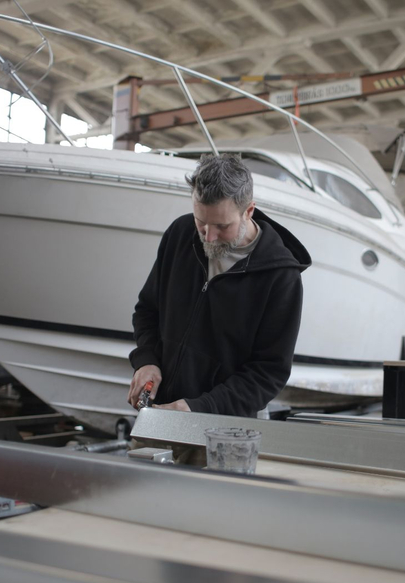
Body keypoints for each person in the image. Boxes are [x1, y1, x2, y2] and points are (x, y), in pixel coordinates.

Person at [127, 153, 311, 417]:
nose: (209, 237)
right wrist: (147, 361)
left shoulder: (281, 277)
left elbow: (269, 372)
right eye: (201, 222)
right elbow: (147, 311)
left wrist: (199, 408)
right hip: (159, 414)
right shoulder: (179, 235)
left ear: (248, 211)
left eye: (222, 226)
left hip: (226, 430)